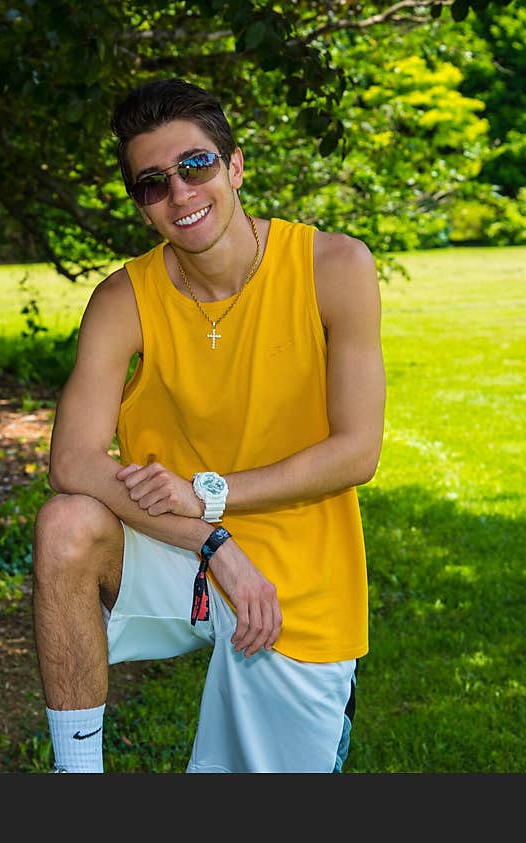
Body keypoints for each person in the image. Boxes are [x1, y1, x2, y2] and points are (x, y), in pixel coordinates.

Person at [31, 77, 386, 773]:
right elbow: (71, 461)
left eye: (195, 166)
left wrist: (213, 495)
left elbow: (357, 452)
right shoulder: (122, 298)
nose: (181, 194)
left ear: (235, 165)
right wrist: (210, 535)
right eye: (153, 183)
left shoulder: (334, 266)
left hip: (298, 563)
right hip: (174, 544)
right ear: (141, 205)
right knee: (66, 526)